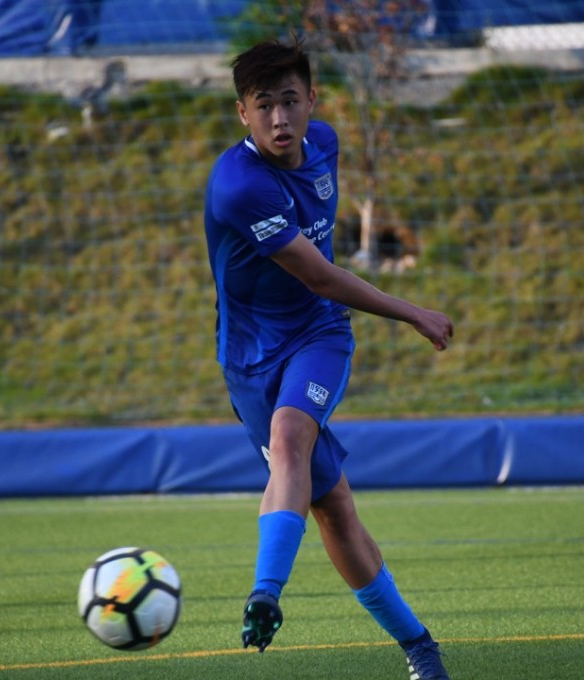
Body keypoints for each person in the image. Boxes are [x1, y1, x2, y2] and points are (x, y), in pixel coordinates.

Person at [203, 37, 455, 680]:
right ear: (243, 114)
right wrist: (412, 311)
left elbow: (320, 295)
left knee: (291, 437)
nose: (280, 118)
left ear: (312, 99)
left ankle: (266, 592)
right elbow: (319, 273)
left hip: (319, 334)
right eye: (265, 106)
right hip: (251, 359)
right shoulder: (238, 187)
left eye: (291, 101)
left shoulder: (329, 145)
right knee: (334, 508)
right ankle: (419, 644)